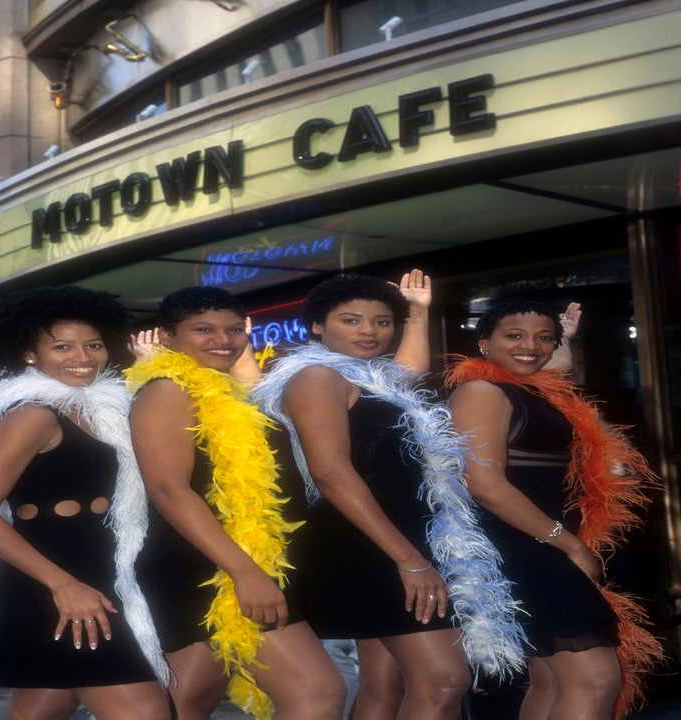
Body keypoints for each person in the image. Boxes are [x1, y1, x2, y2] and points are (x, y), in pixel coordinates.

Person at [253, 274, 527, 720]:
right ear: (318, 326)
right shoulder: (316, 376)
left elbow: (409, 374)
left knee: (385, 684)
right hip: (368, 543)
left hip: (388, 538)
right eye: (352, 320)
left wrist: (417, 311)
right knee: (444, 680)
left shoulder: (369, 376)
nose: (369, 330)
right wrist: (409, 559)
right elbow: (329, 472)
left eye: (382, 322)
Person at [125, 286, 346, 720]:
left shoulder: (225, 390)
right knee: (317, 693)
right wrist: (245, 572)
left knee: (189, 701)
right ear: (168, 336)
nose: (222, 339)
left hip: (232, 561)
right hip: (212, 571)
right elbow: (169, 490)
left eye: (232, 329)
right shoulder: (168, 390)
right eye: (203, 329)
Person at [443, 298, 664, 720]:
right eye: (514, 336)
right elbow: (484, 485)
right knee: (595, 678)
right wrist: (571, 547)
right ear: (484, 343)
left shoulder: (531, 390)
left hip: (543, 546)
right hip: (526, 549)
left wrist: (562, 340)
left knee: (552, 679)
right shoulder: (480, 391)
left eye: (544, 338)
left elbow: (553, 382)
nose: (531, 346)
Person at [0, 286, 170, 720]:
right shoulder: (32, 415)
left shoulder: (97, 408)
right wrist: (63, 585)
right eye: (62, 346)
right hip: (48, 580)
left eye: (93, 344)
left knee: (46, 705)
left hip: (92, 570)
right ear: (31, 354)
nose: (83, 357)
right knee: (144, 711)